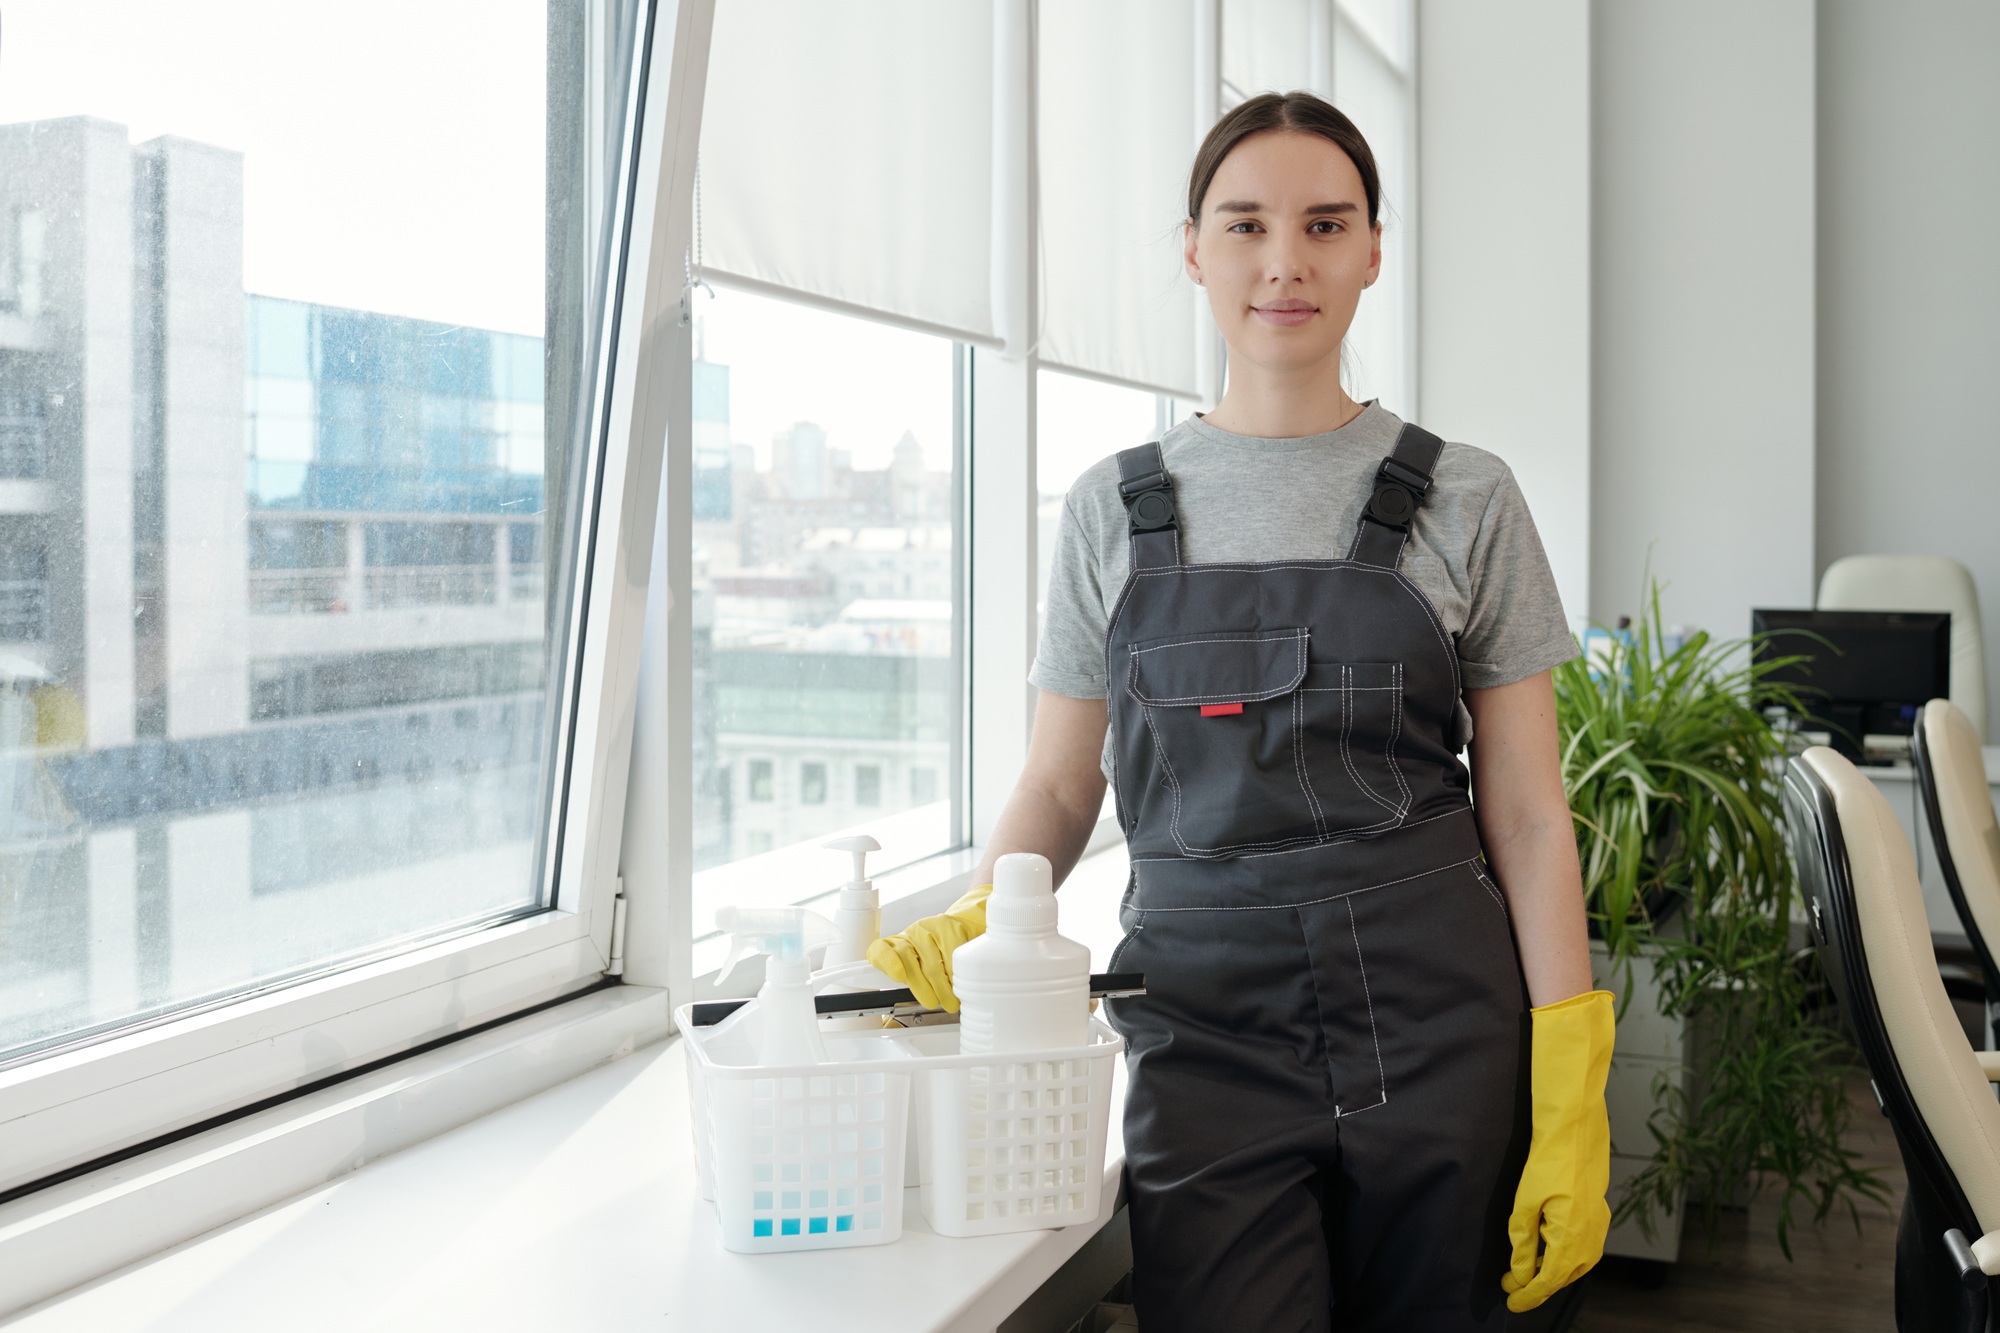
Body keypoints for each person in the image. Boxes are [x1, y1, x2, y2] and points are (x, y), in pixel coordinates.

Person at [871, 91, 1613, 1332]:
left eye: (1324, 225)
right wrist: (977, 914)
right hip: (1204, 1035)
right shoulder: (1111, 511)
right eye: (1245, 224)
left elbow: (1529, 814)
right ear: (1191, 250)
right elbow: (1062, 785)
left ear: (1373, 248)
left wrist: (1572, 1064)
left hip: (1440, 1023)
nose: (1284, 262)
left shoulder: (1468, 498)